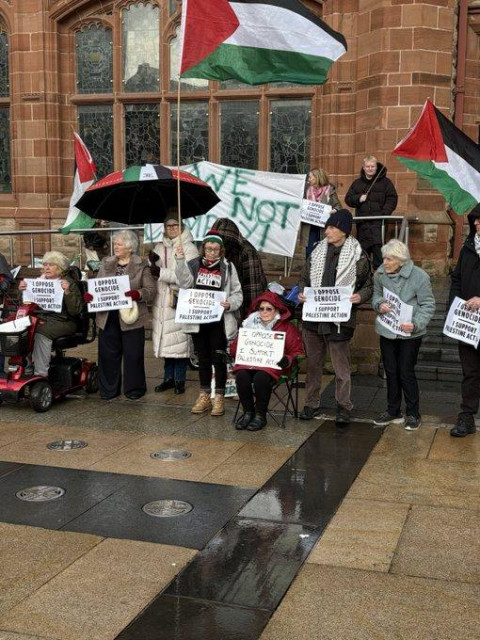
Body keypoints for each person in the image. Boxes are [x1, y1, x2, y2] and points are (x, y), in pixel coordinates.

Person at [297, 209, 372, 424]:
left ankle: (343, 406)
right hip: (314, 319)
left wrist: (360, 296)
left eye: (331, 227)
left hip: (340, 320)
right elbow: (303, 279)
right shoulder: (317, 251)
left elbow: (369, 285)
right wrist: (302, 292)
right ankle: (311, 403)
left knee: (341, 367)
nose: (327, 231)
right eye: (327, 227)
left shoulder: (358, 255)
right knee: (313, 365)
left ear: (344, 231)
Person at [175, 228, 243, 417]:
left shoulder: (227, 267)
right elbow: (184, 284)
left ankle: (219, 396)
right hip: (198, 320)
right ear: (203, 249)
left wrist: (231, 304)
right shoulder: (194, 264)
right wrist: (180, 261)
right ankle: (205, 394)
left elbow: (238, 293)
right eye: (208, 248)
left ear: (220, 251)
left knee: (218, 358)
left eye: (215, 249)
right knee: (203, 358)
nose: (211, 252)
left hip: (219, 321)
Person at [372, 239, 435, 431]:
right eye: (384, 258)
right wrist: (379, 304)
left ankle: (413, 413)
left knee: (405, 371)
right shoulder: (380, 274)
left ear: (401, 260)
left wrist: (416, 324)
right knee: (390, 370)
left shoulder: (419, 276)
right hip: (387, 330)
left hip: (410, 334)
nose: (385, 262)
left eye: (389, 259)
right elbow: (376, 295)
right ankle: (393, 411)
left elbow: (428, 304)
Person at [89, 230, 155, 401]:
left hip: (131, 316)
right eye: (115, 244)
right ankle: (108, 390)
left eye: (119, 244)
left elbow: (151, 291)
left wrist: (137, 294)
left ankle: (134, 389)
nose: (115, 247)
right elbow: (98, 285)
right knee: (108, 354)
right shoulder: (106, 263)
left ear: (130, 247)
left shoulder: (141, 265)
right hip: (108, 316)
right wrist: (91, 296)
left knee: (133, 355)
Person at [230, 291, 304, 431]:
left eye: (268, 309)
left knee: (261, 378)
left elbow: (297, 351)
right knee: (241, 376)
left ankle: (260, 416)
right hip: (250, 363)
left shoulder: (287, 327)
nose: (264, 312)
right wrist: (236, 350)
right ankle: (248, 412)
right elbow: (235, 348)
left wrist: (288, 359)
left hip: (272, 367)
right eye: (261, 308)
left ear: (276, 310)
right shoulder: (248, 325)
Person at [150, 216, 198, 394]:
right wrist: (151, 261)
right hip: (161, 300)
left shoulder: (190, 249)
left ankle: (179, 380)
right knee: (166, 342)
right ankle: (168, 378)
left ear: (181, 226)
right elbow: (152, 271)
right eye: (168, 225)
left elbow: (186, 279)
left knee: (179, 343)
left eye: (175, 225)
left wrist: (160, 272)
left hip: (179, 299)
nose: (171, 228)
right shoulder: (159, 247)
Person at [18, 251, 83, 377]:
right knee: (21, 330)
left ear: (59, 268)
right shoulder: (38, 282)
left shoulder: (68, 283)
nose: (47, 268)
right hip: (41, 318)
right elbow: (27, 304)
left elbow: (75, 310)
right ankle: (26, 366)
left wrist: (68, 292)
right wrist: (23, 291)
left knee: (41, 333)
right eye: (45, 264)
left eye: (51, 265)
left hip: (64, 320)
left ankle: (41, 374)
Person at [448, 204, 480, 437]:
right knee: (470, 372)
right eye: (474, 220)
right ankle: (466, 417)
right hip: (468, 323)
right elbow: (457, 279)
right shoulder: (467, 248)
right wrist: (455, 307)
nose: (476, 223)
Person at [345, 155, 398, 270]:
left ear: (376, 167)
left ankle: (379, 281)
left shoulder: (386, 182)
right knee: (363, 255)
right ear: (363, 168)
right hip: (363, 224)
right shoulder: (357, 183)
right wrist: (358, 198)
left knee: (379, 253)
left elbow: (392, 198)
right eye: (367, 166)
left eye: (372, 166)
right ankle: (366, 280)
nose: (370, 169)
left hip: (378, 224)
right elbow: (348, 199)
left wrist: (384, 212)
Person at [211, 218, 267, 319]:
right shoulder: (213, 250)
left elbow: (253, 290)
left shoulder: (247, 252)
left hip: (239, 307)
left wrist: (250, 318)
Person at [302, 168, 341, 257]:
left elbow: (338, 206)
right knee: (310, 252)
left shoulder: (329, 190)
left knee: (324, 252)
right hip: (310, 227)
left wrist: (334, 210)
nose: (308, 179)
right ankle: (310, 269)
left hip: (324, 227)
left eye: (310, 177)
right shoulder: (306, 191)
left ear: (317, 178)